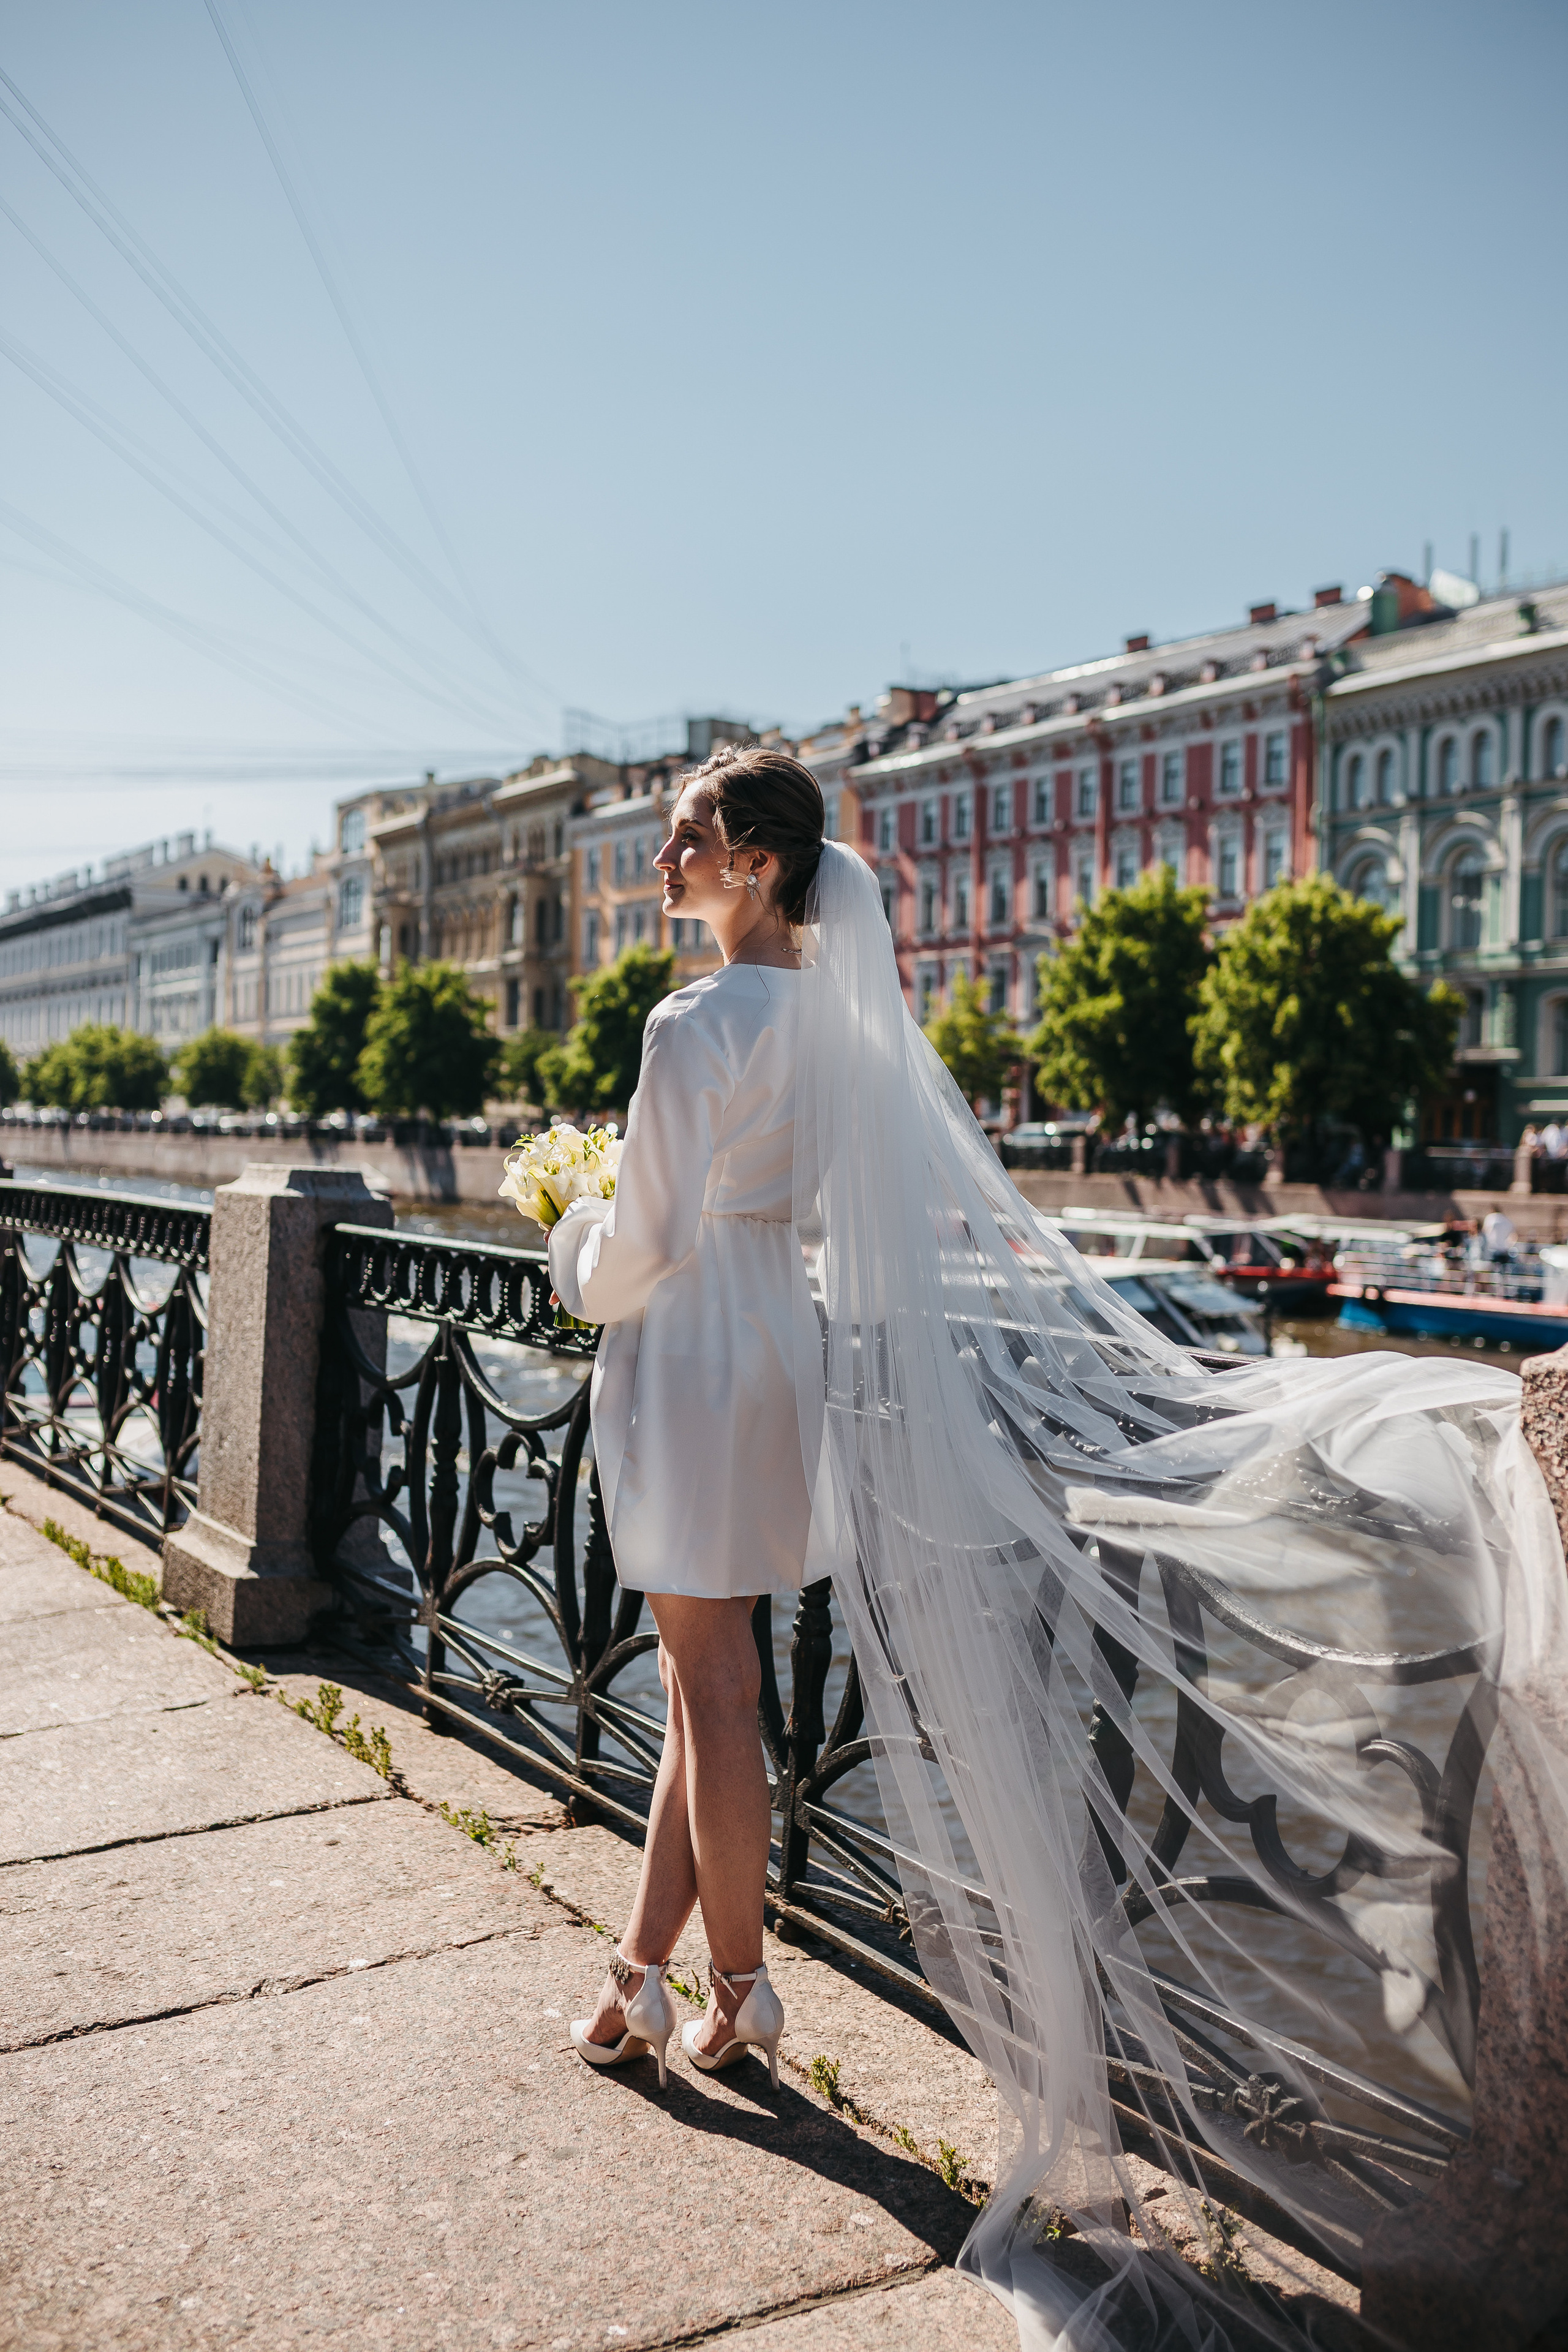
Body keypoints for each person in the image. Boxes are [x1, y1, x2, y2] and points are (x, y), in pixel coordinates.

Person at [544, 745, 1568, 2351]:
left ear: (750, 860)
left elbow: (645, 1243)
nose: (664, 857)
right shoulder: (853, 1027)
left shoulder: (694, 1022)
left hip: (683, 1353)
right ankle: (650, 1980)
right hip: (786, 1358)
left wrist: (567, 1235)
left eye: (686, 836)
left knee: (710, 1688)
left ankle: (729, 1999)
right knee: (711, 1683)